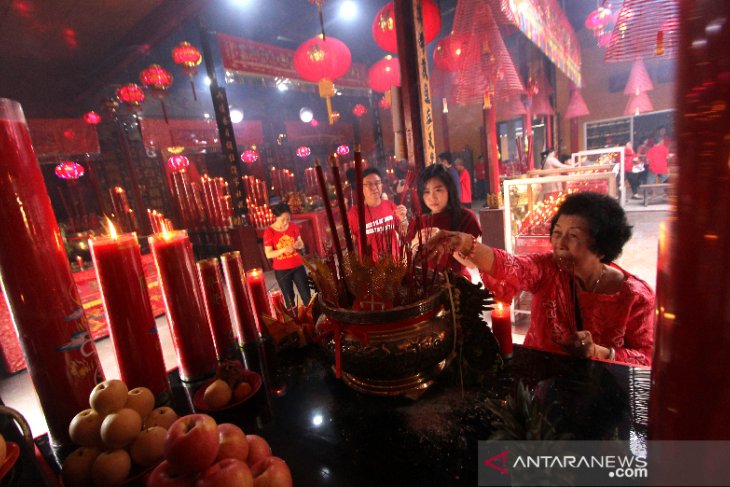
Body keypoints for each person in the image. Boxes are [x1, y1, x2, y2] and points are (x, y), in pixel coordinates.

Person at [424, 192, 655, 366]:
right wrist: (466, 243)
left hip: (599, 390)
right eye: (557, 233)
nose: (559, 244)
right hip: (539, 377)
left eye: (572, 236)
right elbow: (511, 266)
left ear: (601, 246)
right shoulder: (548, 268)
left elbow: (646, 358)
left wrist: (598, 352)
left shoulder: (634, 297)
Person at [408, 164, 481, 277]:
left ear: (449, 189)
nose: (432, 197)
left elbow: (472, 264)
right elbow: (407, 260)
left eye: (438, 190)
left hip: (457, 285)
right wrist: (414, 242)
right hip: (427, 286)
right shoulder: (418, 221)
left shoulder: (465, 217)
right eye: (426, 192)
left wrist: (445, 241)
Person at [347, 167, 408, 261]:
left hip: (394, 266)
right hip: (370, 269)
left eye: (377, 183)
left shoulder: (391, 206)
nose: (374, 187)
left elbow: (404, 234)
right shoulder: (355, 213)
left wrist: (403, 219)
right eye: (369, 184)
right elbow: (352, 243)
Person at [263, 203, 312, 309]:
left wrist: (299, 244)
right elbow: (268, 254)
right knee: (289, 299)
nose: (286, 222)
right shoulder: (269, 232)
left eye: (288, 219)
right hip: (282, 270)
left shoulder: (293, 226)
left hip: (298, 266)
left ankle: (313, 318)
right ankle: (294, 322)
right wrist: (284, 249)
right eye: (283, 219)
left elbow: (300, 242)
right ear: (275, 217)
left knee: (307, 295)